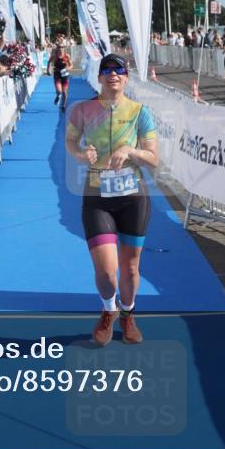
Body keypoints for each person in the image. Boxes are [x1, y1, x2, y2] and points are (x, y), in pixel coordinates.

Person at [65, 54, 158, 347]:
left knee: (130, 267)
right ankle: (109, 310)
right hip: (97, 197)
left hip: (133, 199)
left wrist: (130, 150)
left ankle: (128, 315)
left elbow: (153, 159)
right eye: (107, 70)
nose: (113, 74)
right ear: (100, 78)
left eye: (119, 70)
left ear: (126, 78)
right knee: (106, 270)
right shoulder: (82, 110)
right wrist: (81, 155)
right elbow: (70, 142)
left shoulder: (140, 112)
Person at [48, 45, 73, 111]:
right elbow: (49, 62)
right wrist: (48, 70)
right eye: (59, 47)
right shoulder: (54, 56)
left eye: (62, 47)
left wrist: (68, 69)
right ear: (57, 48)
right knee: (59, 91)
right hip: (57, 75)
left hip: (65, 75)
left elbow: (71, 65)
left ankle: (63, 106)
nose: (61, 48)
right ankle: (58, 96)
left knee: (64, 92)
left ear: (64, 48)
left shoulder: (67, 56)